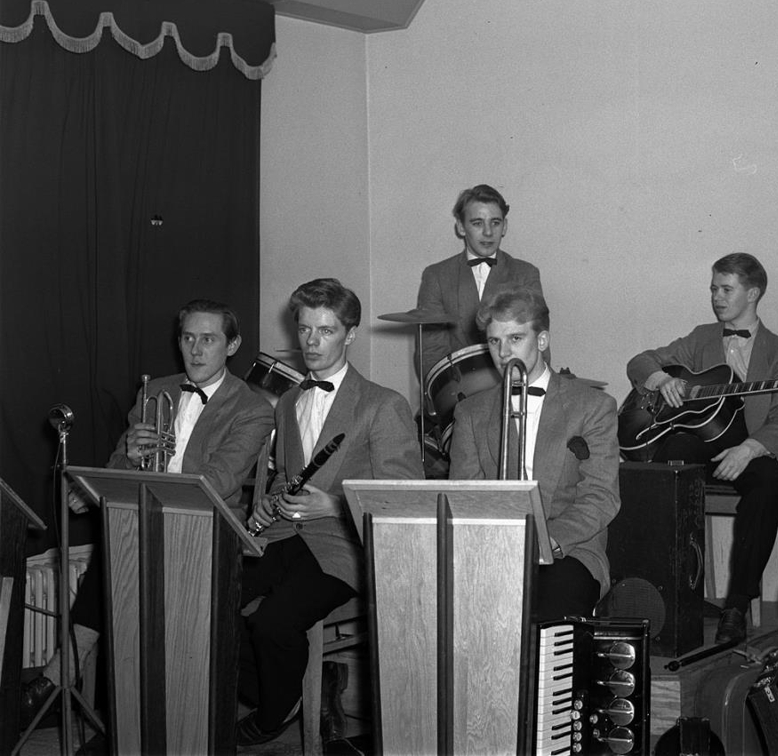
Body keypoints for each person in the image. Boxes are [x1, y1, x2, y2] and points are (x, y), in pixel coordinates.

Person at [20, 299, 274, 739]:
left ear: (232, 346)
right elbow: (117, 465)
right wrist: (130, 456)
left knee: (123, 562)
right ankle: (114, 719)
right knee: (119, 551)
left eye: (208, 339)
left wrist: (144, 482)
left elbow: (218, 482)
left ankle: (63, 685)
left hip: (208, 531)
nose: (195, 350)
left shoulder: (252, 408)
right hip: (145, 525)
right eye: (187, 338)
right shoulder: (155, 390)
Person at [236, 278, 423, 747]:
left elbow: (404, 499)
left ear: (350, 334)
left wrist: (335, 505)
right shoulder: (290, 402)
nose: (312, 342)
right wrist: (270, 502)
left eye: (326, 331)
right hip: (284, 535)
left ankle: (275, 711)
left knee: (273, 622)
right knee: (217, 605)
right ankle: (292, 690)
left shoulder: (383, 405)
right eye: (305, 330)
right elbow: (287, 476)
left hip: (345, 547)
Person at [626, 252, 778, 645]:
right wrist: (660, 380)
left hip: (752, 453)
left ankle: (735, 607)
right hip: (701, 448)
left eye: (726, 289)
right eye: (713, 289)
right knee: (665, 460)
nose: (716, 297)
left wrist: (749, 449)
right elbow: (641, 361)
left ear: (753, 293)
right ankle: (665, 595)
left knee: (769, 483)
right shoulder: (701, 338)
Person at [448, 288, 620, 622]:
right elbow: (466, 497)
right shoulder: (470, 412)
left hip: (569, 550)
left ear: (542, 340)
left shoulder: (593, 407)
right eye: (494, 341)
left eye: (515, 338)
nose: (503, 353)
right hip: (495, 549)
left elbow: (601, 498)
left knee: (546, 607)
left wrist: (547, 541)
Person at [415, 184, 545, 379]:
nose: (488, 232)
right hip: (458, 388)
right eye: (477, 223)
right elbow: (431, 352)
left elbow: (539, 346)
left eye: (495, 223)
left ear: (505, 226)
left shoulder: (525, 274)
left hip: (512, 384)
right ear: (461, 227)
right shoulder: (437, 276)